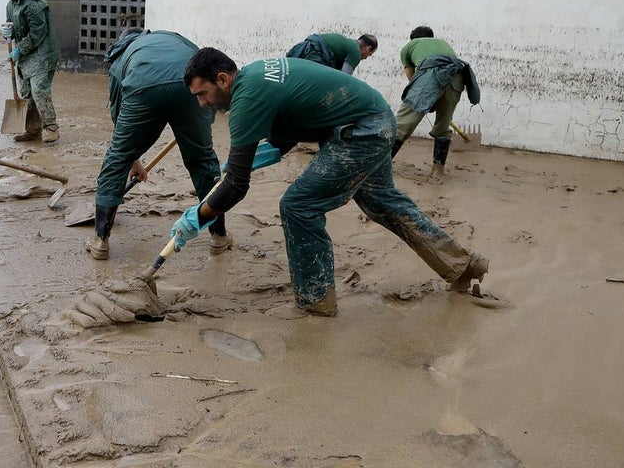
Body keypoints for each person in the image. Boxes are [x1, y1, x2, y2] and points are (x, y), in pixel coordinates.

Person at [169, 48, 490, 317]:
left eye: (202, 94)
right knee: (383, 204)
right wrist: (258, 155)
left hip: (360, 131)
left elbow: (237, 185)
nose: (202, 103)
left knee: (298, 206)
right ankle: (462, 265)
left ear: (222, 80)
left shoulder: (247, 98)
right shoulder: (255, 75)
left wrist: (198, 217)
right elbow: (289, 130)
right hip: (375, 119)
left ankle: (316, 300)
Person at [85, 29, 230, 261]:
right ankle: (219, 237)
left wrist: (131, 158)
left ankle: (101, 240)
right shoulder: (173, 38)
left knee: (117, 157)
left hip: (144, 86)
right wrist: (200, 125)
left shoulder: (122, 56)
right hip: (190, 87)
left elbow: (118, 115)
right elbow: (203, 72)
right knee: (202, 160)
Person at [392, 26, 480, 176]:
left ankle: (379, 167)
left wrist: (426, 97)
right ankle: (437, 171)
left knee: (402, 124)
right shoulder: (443, 43)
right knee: (443, 125)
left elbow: (413, 79)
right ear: (432, 36)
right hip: (457, 78)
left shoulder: (409, 47)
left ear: (413, 39)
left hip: (430, 77)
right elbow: (445, 73)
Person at [1, 0, 60, 143]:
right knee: (26, 92)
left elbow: (38, 33)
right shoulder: (10, 6)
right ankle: (33, 130)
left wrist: (19, 49)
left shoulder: (34, 4)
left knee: (39, 90)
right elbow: (11, 30)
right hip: (26, 55)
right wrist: (6, 34)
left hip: (44, 53)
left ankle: (51, 127)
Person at [285, 32, 377, 75]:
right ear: (368, 48)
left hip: (306, 48)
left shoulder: (347, 43)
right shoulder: (355, 52)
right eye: (370, 54)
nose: (366, 58)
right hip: (315, 53)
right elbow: (344, 78)